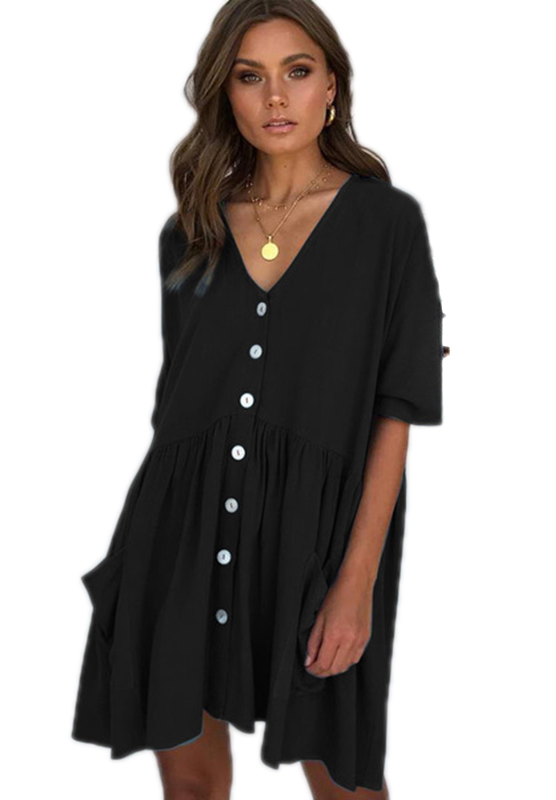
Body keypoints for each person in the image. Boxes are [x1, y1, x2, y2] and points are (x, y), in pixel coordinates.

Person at [71, 1, 447, 797]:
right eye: (250, 77)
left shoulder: (388, 226)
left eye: (297, 72)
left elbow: (397, 409)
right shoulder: (190, 232)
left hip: (319, 545)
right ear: (227, 94)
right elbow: (178, 406)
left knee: (344, 783)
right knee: (192, 788)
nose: (276, 97)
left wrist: (356, 583)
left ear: (331, 86)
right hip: (180, 538)